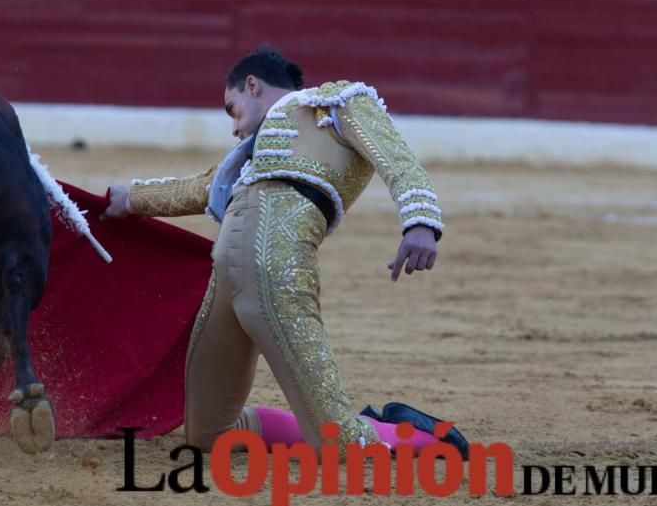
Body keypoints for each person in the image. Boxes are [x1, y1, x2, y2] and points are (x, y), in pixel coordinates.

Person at [103, 48, 469, 458]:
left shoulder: (337, 104)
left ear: (252, 85)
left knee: (341, 447)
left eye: (232, 108)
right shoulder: (249, 157)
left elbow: (397, 159)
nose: (234, 127)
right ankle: (334, 424)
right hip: (227, 282)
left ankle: (418, 436)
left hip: (278, 270)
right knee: (210, 434)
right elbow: (202, 188)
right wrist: (129, 198)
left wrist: (421, 220)